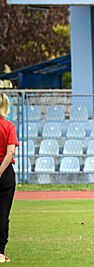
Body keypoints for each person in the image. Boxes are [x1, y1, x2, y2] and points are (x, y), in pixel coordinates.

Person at [0, 93, 19, 263]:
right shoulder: (8, 126)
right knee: (3, 213)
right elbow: (10, 152)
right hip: (4, 173)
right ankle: (0, 252)